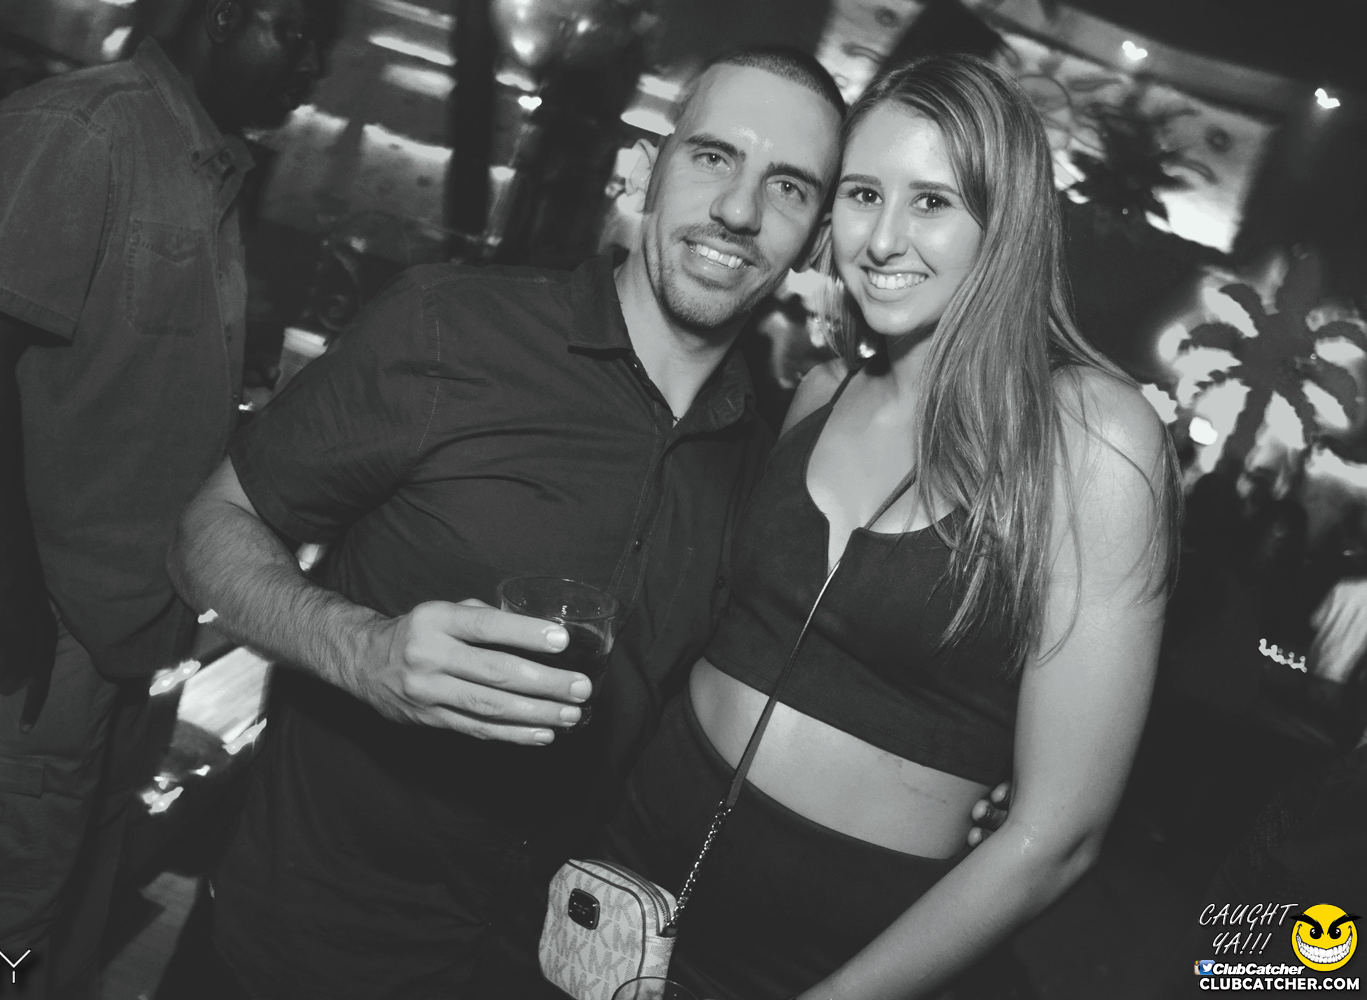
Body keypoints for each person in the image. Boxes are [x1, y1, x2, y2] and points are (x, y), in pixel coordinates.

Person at [167, 47, 845, 998]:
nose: (739, 209)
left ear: (816, 240)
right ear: (647, 169)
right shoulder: (451, 330)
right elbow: (208, 527)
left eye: (788, 186)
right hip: (295, 953)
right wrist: (363, 652)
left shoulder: (759, 468)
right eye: (712, 157)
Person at [600, 53, 1180, 1000]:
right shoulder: (821, 390)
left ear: (1006, 224)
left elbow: (1060, 835)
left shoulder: (1091, 437)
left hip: (840, 960)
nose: (882, 238)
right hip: (633, 870)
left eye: (933, 202)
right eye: (864, 194)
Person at [0, 1, 337, 994]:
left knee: (65, 903)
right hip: (39, 621)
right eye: (298, 33)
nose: (312, 68)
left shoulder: (197, 159)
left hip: (123, 623)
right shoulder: (82, 127)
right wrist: (15, 592)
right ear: (225, 15)